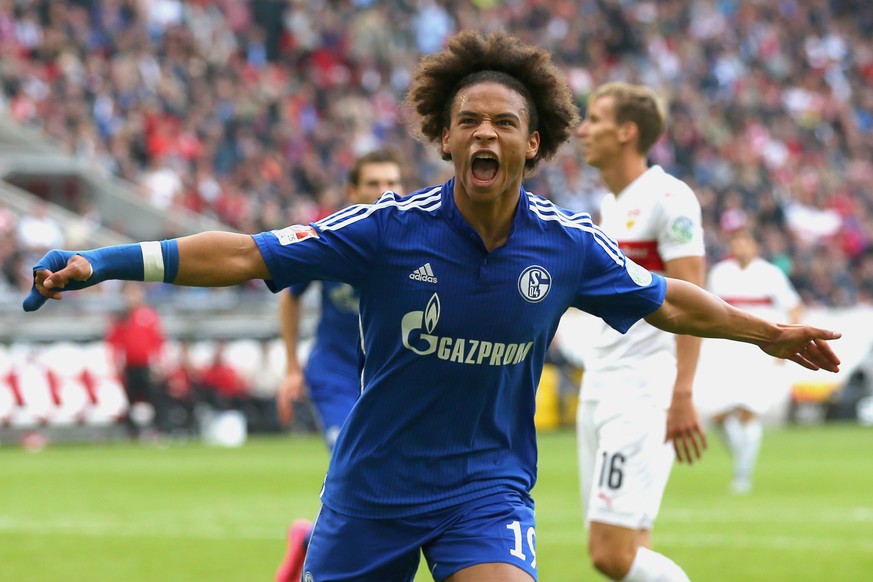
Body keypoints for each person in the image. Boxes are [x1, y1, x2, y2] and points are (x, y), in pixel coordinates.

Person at [23, 30, 841, 582]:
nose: (485, 134)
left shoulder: (565, 244)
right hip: (372, 488)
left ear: (533, 143)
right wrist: (103, 261)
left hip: (484, 490)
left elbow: (665, 299)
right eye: (468, 122)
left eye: (504, 123)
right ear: (445, 139)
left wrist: (768, 332)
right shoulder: (386, 230)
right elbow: (246, 252)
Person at [573, 82, 707, 581]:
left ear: (627, 132)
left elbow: (694, 299)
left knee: (610, 554)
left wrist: (683, 391)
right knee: (629, 544)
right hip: (602, 383)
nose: (583, 130)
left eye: (596, 119)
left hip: (641, 391)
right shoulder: (611, 206)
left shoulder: (669, 198)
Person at [274, 148, 405, 582]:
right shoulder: (334, 240)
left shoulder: (415, 241)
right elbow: (290, 298)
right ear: (352, 192)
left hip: (388, 381)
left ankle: (309, 539)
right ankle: (322, 562)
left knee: (385, 478)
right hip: (334, 376)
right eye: (373, 184)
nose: (384, 192)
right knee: (359, 467)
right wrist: (293, 368)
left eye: (392, 183)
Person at [701, 226, 803, 494]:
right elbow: (709, 311)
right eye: (736, 242)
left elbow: (794, 308)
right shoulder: (720, 273)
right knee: (719, 415)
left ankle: (742, 475)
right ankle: (741, 460)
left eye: (745, 242)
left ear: (755, 246)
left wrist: (787, 344)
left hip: (759, 354)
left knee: (748, 413)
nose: (740, 247)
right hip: (725, 353)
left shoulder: (770, 274)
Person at [105, 282, 166, 440]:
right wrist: (115, 363)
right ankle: (132, 433)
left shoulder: (149, 315)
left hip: (146, 365)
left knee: (153, 398)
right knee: (130, 400)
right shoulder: (121, 318)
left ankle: (157, 430)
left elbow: (157, 341)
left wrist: (158, 362)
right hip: (128, 366)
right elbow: (114, 343)